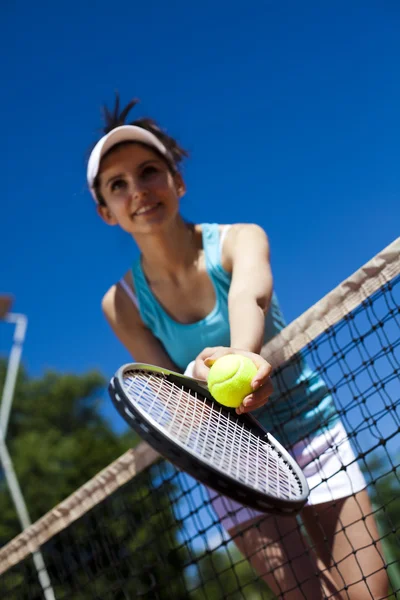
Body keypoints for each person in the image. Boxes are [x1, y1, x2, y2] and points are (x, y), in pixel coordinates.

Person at [86, 95, 387, 600]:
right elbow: (172, 396)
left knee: (369, 596)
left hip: (310, 429)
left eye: (149, 171)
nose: (138, 190)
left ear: (177, 182)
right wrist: (195, 383)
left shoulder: (240, 239)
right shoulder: (122, 304)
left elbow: (253, 294)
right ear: (105, 212)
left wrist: (241, 358)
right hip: (230, 461)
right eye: (118, 185)